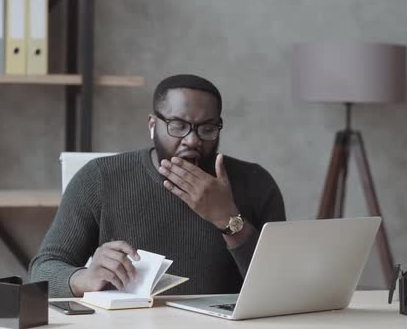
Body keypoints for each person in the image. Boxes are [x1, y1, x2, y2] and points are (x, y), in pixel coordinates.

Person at [29, 74, 286, 297]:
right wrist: (84, 278)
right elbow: (43, 271)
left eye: (207, 129)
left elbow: (281, 286)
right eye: (178, 126)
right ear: (153, 125)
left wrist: (229, 219)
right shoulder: (100, 178)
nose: (192, 140)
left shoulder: (255, 182)